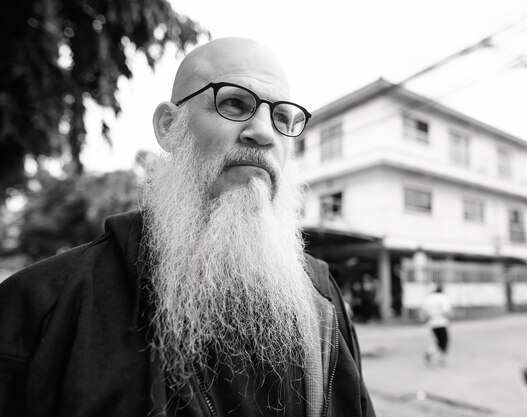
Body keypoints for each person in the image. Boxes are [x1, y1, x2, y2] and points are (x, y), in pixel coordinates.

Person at [0, 37, 376, 417]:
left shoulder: (322, 297)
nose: (264, 133)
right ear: (168, 126)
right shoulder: (43, 305)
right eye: (234, 103)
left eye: (282, 118)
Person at [421, 283, 453, 367]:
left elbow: (424, 313)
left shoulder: (428, 298)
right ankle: (440, 358)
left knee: (439, 341)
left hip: (432, 322)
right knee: (444, 341)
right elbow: (446, 311)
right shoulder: (443, 297)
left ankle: (431, 352)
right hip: (442, 322)